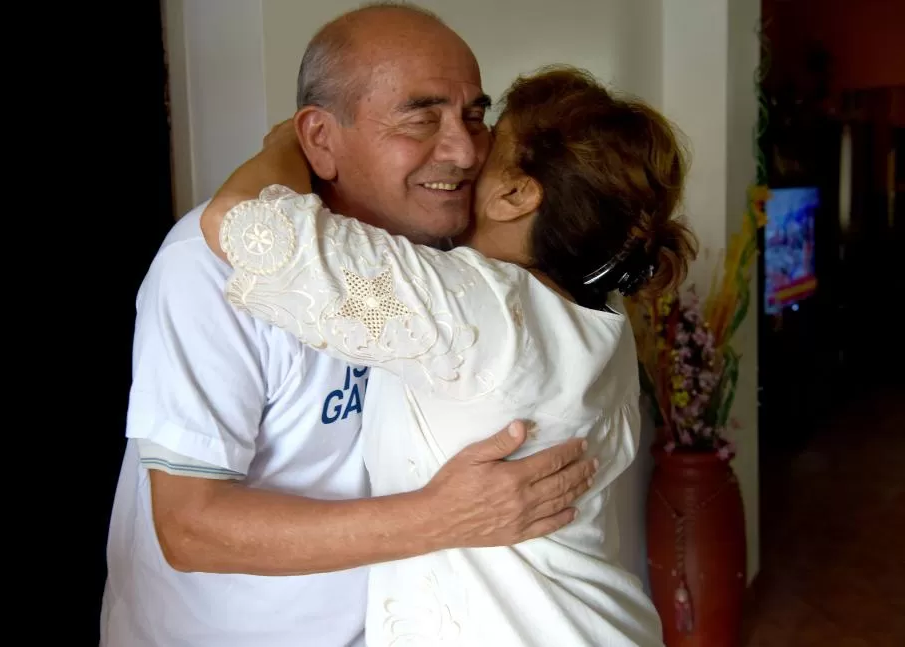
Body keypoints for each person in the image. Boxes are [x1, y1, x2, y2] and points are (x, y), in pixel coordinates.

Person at [100, 5, 597, 647]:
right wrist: (440, 518)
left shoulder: (447, 256)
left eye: (474, 114)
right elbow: (190, 528)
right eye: (422, 117)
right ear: (321, 139)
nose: (466, 149)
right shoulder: (208, 270)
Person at [199, 63, 698, 645]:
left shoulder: (478, 307)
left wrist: (292, 139)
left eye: (489, 139)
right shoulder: (600, 317)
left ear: (515, 194)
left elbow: (238, 225)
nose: (463, 154)